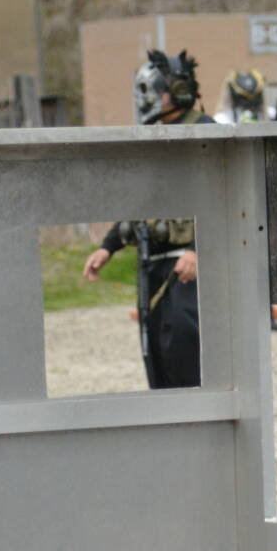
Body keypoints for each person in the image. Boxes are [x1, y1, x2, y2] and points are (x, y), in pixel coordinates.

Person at [82, 49, 212, 388]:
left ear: (179, 90)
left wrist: (199, 249)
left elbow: (225, 198)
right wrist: (108, 247)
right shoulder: (155, 136)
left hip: (189, 267)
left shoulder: (206, 133)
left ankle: (200, 418)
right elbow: (142, 201)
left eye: (155, 90)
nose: (148, 98)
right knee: (157, 357)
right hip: (153, 265)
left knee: (185, 348)